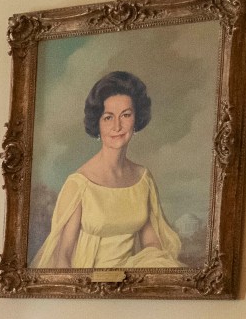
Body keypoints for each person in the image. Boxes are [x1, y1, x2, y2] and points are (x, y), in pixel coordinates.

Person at [33, 70, 183, 269]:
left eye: (126, 115)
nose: (117, 126)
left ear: (136, 119)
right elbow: (63, 257)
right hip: (86, 286)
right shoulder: (79, 183)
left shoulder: (143, 179)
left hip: (130, 283)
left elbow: (152, 246)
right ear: (97, 123)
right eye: (108, 117)